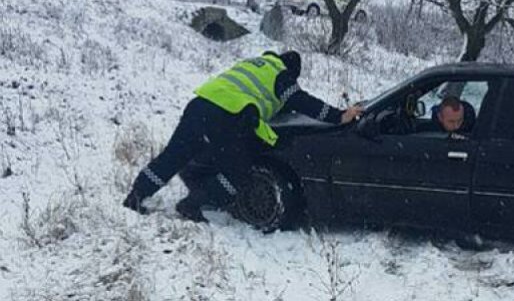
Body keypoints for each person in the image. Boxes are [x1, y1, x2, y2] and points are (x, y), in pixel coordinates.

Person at [122, 50, 363, 222]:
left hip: (200, 104)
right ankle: (192, 205)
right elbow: (302, 101)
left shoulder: (257, 64)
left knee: (174, 156)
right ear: (292, 72)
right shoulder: (283, 75)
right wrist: (339, 116)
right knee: (236, 173)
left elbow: (268, 97)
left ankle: (135, 197)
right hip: (226, 116)